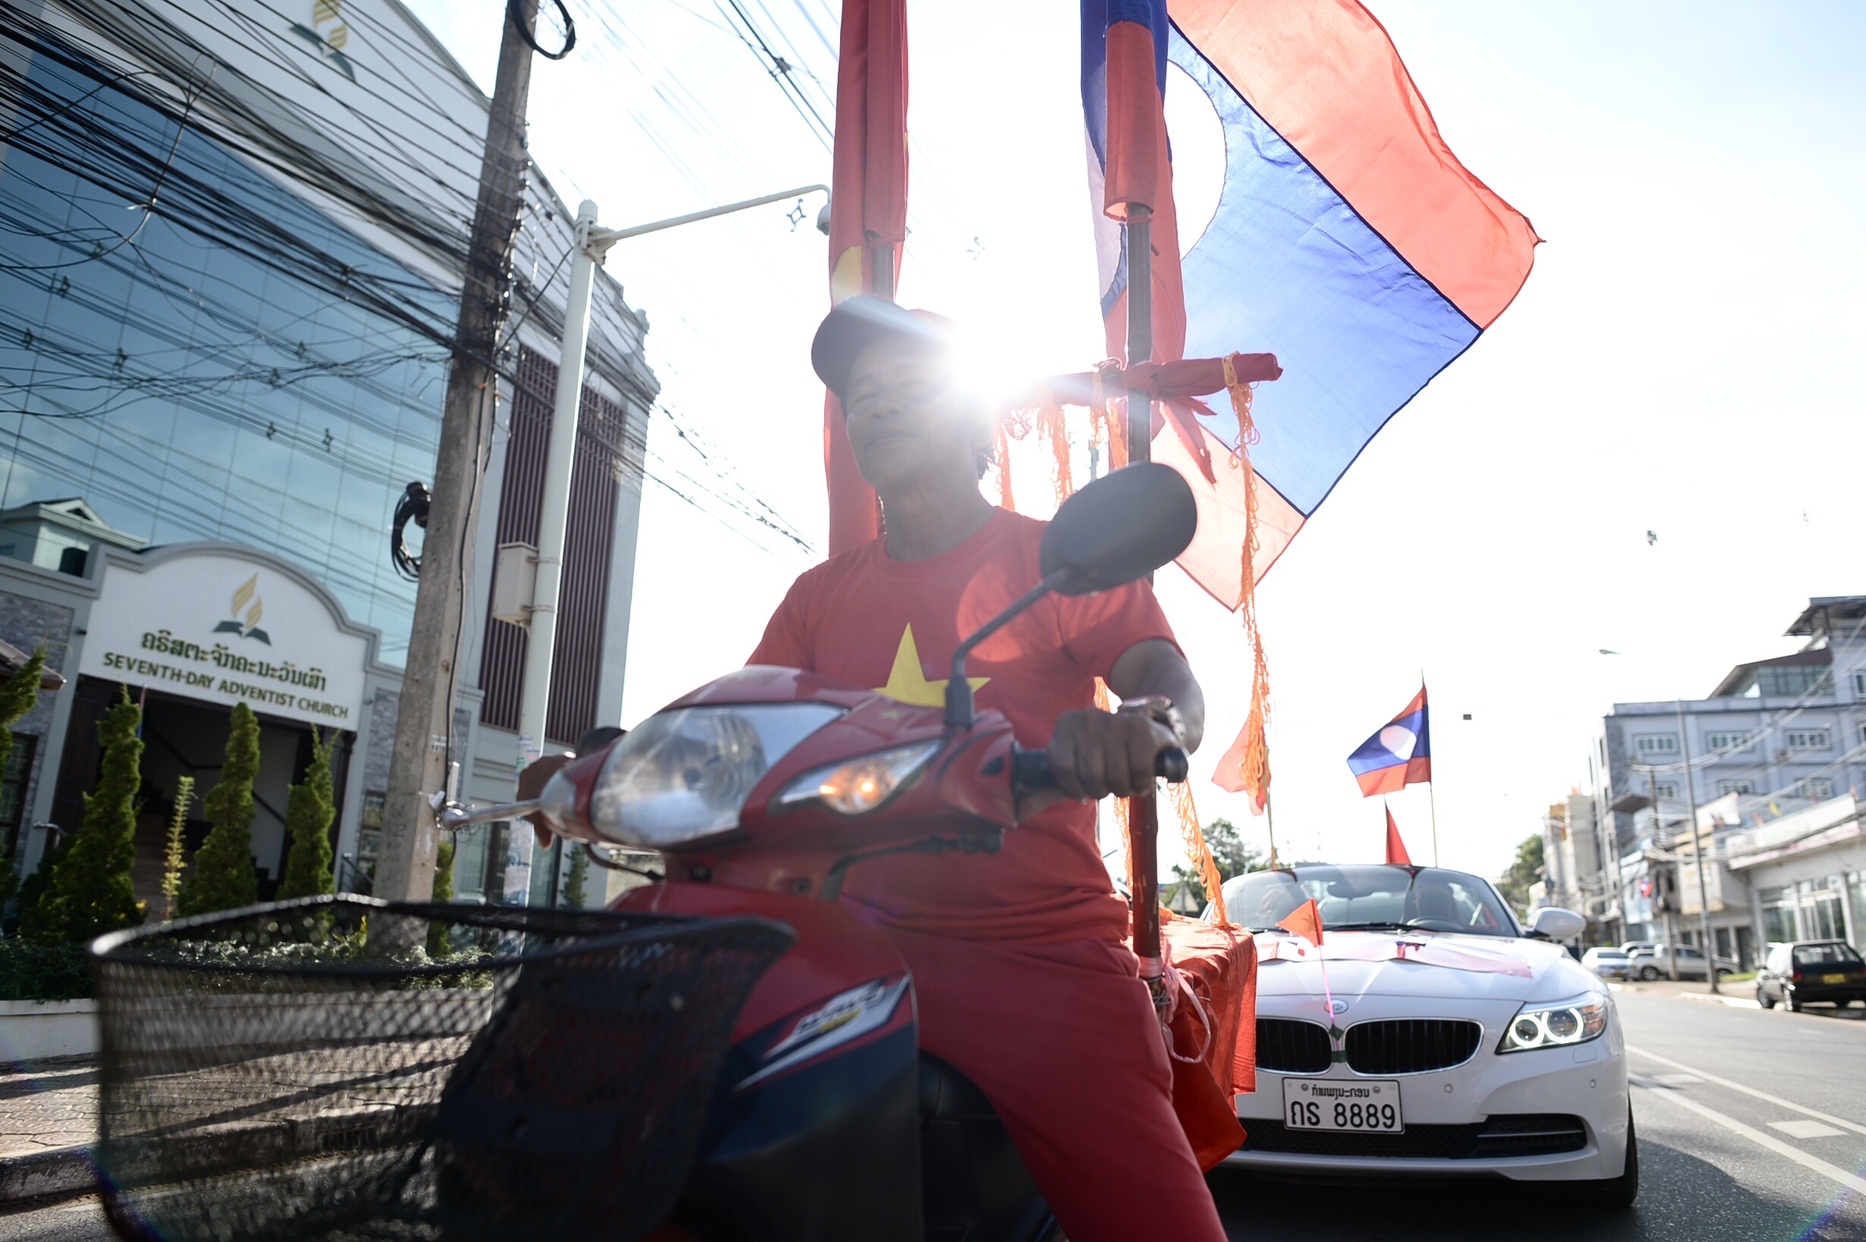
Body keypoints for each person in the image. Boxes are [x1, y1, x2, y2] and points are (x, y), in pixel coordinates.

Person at [741, 296, 1226, 1241]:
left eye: (907, 385)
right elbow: (736, 727)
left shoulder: (1058, 561)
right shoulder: (815, 599)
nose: (876, 404)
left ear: (974, 416)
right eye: (860, 394)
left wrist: (1146, 723)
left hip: (1041, 960)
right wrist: (600, 765)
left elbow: (1167, 680)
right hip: (849, 960)